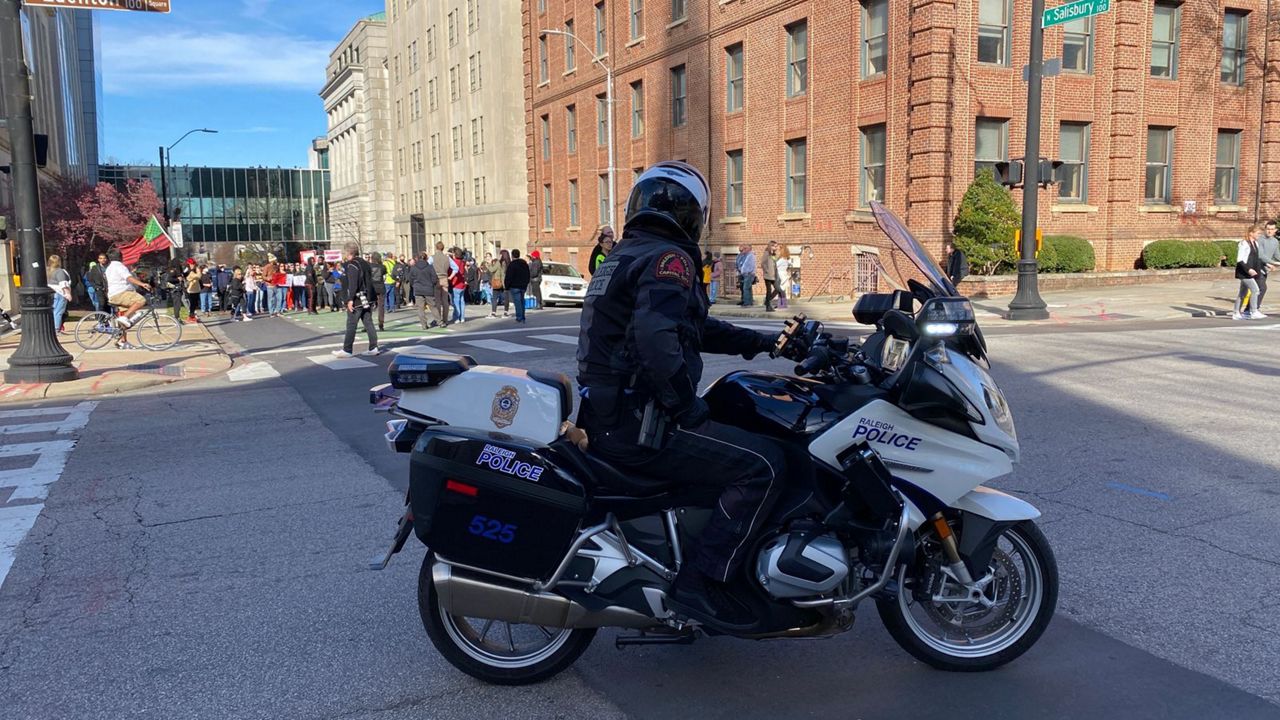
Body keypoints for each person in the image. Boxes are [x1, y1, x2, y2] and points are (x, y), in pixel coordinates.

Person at [575, 161, 783, 631]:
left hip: (608, 414)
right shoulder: (672, 259)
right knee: (765, 465)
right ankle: (701, 583)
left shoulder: (624, 255)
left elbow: (688, 327)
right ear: (695, 216)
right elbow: (654, 339)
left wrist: (762, 342)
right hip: (638, 423)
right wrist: (684, 407)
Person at [334, 242, 382, 357]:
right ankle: (373, 347)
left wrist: (350, 299)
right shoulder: (365, 263)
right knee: (368, 322)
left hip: (357, 298)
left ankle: (347, 349)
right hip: (368, 296)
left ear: (347, 252)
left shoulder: (352, 265)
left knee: (351, 323)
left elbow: (353, 283)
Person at [103, 248, 151, 349]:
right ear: (121, 257)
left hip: (113, 294)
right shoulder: (120, 266)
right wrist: (142, 284)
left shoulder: (109, 267)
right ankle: (125, 318)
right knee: (141, 300)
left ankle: (122, 341)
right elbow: (128, 277)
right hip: (121, 293)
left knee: (124, 317)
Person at [1233, 225, 1267, 320]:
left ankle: (1236, 312)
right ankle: (1253, 311)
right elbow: (1240, 260)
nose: (1259, 235)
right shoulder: (1244, 243)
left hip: (1250, 272)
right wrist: (1249, 269)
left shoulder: (1255, 243)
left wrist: (1264, 266)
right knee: (1255, 290)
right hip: (1244, 272)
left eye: (1260, 233)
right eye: (1258, 233)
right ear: (1251, 233)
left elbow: (1256, 259)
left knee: (1242, 293)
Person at [411, 252, 441, 330]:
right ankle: (439, 321)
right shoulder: (430, 267)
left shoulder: (414, 267)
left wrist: (414, 285)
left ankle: (424, 325)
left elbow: (411, 279)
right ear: (426, 258)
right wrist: (432, 284)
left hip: (418, 289)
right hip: (428, 289)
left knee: (420, 308)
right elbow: (434, 278)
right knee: (433, 306)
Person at [1257, 221, 1280, 310]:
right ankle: (1253, 309)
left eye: (1272, 229)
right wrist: (1273, 263)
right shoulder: (1260, 239)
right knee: (1262, 288)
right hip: (1256, 267)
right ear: (1265, 229)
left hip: (1265, 269)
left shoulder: (1275, 241)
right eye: (1268, 229)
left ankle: (1249, 309)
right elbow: (1260, 255)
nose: (1270, 231)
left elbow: (1277, 255)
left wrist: (1275, 262)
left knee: (1255, 290)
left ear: (1275, 230)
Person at [47, 254, 72, 334]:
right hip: (60, 293)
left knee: (53, 310)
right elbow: (63, 283)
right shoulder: (60, 271)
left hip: (50, 293)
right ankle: (56, 328)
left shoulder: (47, 271)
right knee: (58, 311)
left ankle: (52, 327)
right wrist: (68, 294)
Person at [505, 248, 530, 324]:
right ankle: (522, 317)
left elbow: (509, 276)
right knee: (522, 301)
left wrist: (507, 286)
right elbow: (528, 274)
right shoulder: (524, 264)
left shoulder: (512, 265)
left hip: (514, 286)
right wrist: (526, 283)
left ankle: (519, 317)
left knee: (517, 302)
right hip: (523, 285)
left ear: (512, 256)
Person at [488, 251, 510, 317]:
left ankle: (493, 312)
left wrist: (489, 264)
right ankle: (506, 312)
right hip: (506, 282)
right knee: (506, 298)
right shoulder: (508, 263)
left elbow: (492, 270)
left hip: (498, 282)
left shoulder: (499, 262)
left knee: (494, 297)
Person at [370, 251, 388, 331]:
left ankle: (367, 323)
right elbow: (384, 273)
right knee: (381, 306)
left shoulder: (368, 266)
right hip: (380, 287)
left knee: (369, 305)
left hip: (371, 287)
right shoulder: (382, 267)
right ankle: (381, 323)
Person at [449, 248, 468, 323]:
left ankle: (457, 317)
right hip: (462, 283)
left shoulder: (454, 262)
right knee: (462, 301)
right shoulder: (462, 262)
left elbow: (450, 271)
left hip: (456, 283)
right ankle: (462, 317)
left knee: (456, 301)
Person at [183, 259, 203, 324]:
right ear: (188, 264)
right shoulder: (187, 270)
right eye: (191, 264)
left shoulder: (195, 269)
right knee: (191, 304)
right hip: (190, 289)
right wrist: (195, 275)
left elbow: (199, 276)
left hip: (196, 289)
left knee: (195, 304)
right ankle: (191, 316)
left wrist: (197, 272)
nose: (193, 265)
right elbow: (191, 277)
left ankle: (192, 316)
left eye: (193, 264)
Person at [761, 242, 779, 312]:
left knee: (777, 289)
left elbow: (775, 263)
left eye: (776, 246)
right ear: (771, 246)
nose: (776, 248)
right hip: (768, 275)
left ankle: (767, 301)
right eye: (775, 246)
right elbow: (763, 263)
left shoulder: (773, 254)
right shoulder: (766, 253)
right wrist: (766, 270)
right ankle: (768, 306)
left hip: (773, 275)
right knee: (769, 290)